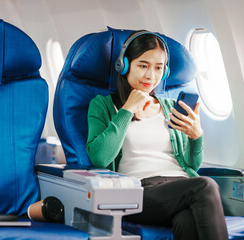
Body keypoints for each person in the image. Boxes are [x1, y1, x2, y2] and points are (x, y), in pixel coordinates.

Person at [85, 30, 228, 240]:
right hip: (140, 192)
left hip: (180, 188)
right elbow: (99, 157)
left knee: (186, 221)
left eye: (159, 68)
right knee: (205, 185)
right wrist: (127, 110)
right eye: (143, 65)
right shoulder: (102, 105)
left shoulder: (171, 107)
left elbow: (191, 165)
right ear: (123, 65)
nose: (151, 76)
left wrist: (196, 137)